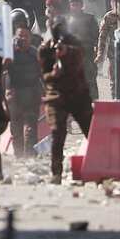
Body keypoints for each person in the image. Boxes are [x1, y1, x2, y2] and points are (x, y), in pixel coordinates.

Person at [39, 20, 94, 184]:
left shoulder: (74, 45)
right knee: (57, 134)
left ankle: (97, 169)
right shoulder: (45, 49)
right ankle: (56, 174)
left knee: (91, 132)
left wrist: (66, 52)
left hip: (78, 96)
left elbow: (79, 56)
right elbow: (44, 75)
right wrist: (53, 74)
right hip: (56, 97)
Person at [5, 19, 43, 158]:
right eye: (19, 36)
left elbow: (43, 74)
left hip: (31, 95)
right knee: (16, 128)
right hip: (14, 96)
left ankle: (30, 157)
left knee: (31, 128)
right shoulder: (8, 53)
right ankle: (19, 156)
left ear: (30, 38)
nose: (22, 39)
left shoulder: (35, 54)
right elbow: (1, 72)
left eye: (25, 36)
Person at [66, 0, 102, 100]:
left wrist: (96, 51)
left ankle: (95, 105)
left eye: (77, 4)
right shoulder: (67, 20)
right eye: (73, 5)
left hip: (87, 55)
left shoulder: (90, 19)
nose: (75, 7)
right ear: (70, 6)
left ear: (82, 5)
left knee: (90, 81)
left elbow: (97, 36)